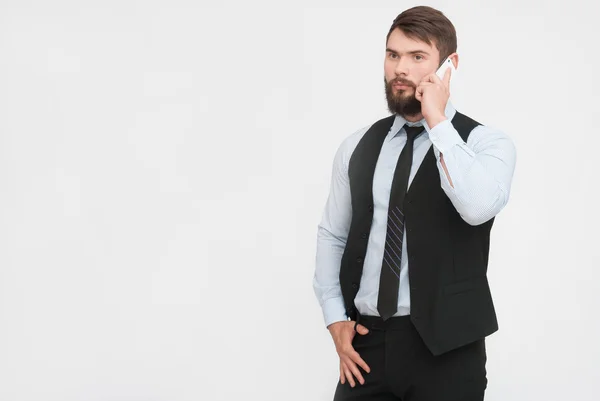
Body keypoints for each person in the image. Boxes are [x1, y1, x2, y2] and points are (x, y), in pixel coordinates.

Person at [312, 5, 517, 401]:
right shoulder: (356, 146)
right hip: (367, 344)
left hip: (448, 351)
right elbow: (333, 234)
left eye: (417, 57)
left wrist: (437, 119)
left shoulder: (485, 144)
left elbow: (476, 207)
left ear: (449, 66)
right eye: (393, 55)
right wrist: (335, 316)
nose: (399, 69)